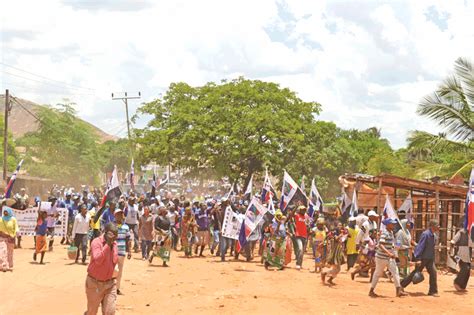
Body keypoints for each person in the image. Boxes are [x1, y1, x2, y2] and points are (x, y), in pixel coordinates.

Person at [85, 223, 119, 315]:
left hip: (110, 283)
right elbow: (98, 260)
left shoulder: (115, 244)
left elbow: (115, 260)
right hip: (95, 283)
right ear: (106, 233)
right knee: (92, 312)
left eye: (116, 235)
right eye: (113, 235)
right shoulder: (96, 242)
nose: (115, 238)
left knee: (110, 312)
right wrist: (107, 245)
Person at [369, 218, 406, 298]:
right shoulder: (385, 233)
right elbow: (381, 245)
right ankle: (371, 290)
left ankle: (398, 290)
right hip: (381, 258)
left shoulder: (391, 233)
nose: (394, 225)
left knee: (395, 272)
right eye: (392, 224)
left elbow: (393, 245)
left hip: (389, 258)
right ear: (388, 225)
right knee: (378, 274)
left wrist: (405, 247)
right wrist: (389, 253)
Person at [401, 220, 439, 296]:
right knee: (415, 273)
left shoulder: (434, 235)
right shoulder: (425, 234)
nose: (438, 227)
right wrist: (418, 259)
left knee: (433, 272)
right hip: (423, 258)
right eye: (437, 225)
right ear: (432, 226)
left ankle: (433, 291)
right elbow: (420, 247)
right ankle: (401, 285)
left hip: (430, 258)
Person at [114, 208, 132, 295]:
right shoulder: (112, 226)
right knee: (113, 270)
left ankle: (117, 288)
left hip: (122, 251)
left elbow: (128, 239)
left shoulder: (126, 227)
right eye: (118, 214)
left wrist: (130, 251)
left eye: (121, 214)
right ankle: (111, 288)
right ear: (115, 216)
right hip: (112, 252)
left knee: (119, 271)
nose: (119, 216)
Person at [450, 221, 471, 292]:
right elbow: (453, 241)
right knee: (465, 268)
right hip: (460, 254)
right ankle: (457, 282)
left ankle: (462, 286)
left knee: (467, 271)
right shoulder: (461, 232)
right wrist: (451, 252)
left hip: (468, 255)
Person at [0, 207, 19, 271]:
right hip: (2, 238)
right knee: (2, 252)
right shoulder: (1, 219)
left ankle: (8, 265)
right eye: (4, 212)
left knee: (9, 252)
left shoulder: (13, 219)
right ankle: (3, 266)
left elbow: (16, 227)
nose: (5, 213)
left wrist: (17, 233)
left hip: (11, 238)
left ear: (9, 212)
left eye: (6, 212)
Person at [292, 205, 308, 270]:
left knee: (302, 251)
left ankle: (300, 264)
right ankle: (298, 264)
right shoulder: (297, 215)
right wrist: (296, 207)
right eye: (302, 210)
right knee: (300, 249)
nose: (304, 211)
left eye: (304, 210)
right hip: (298, 235)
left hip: (304, 236)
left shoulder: (306, 216)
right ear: (299, 210)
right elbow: (291, 214)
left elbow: (311, 221)